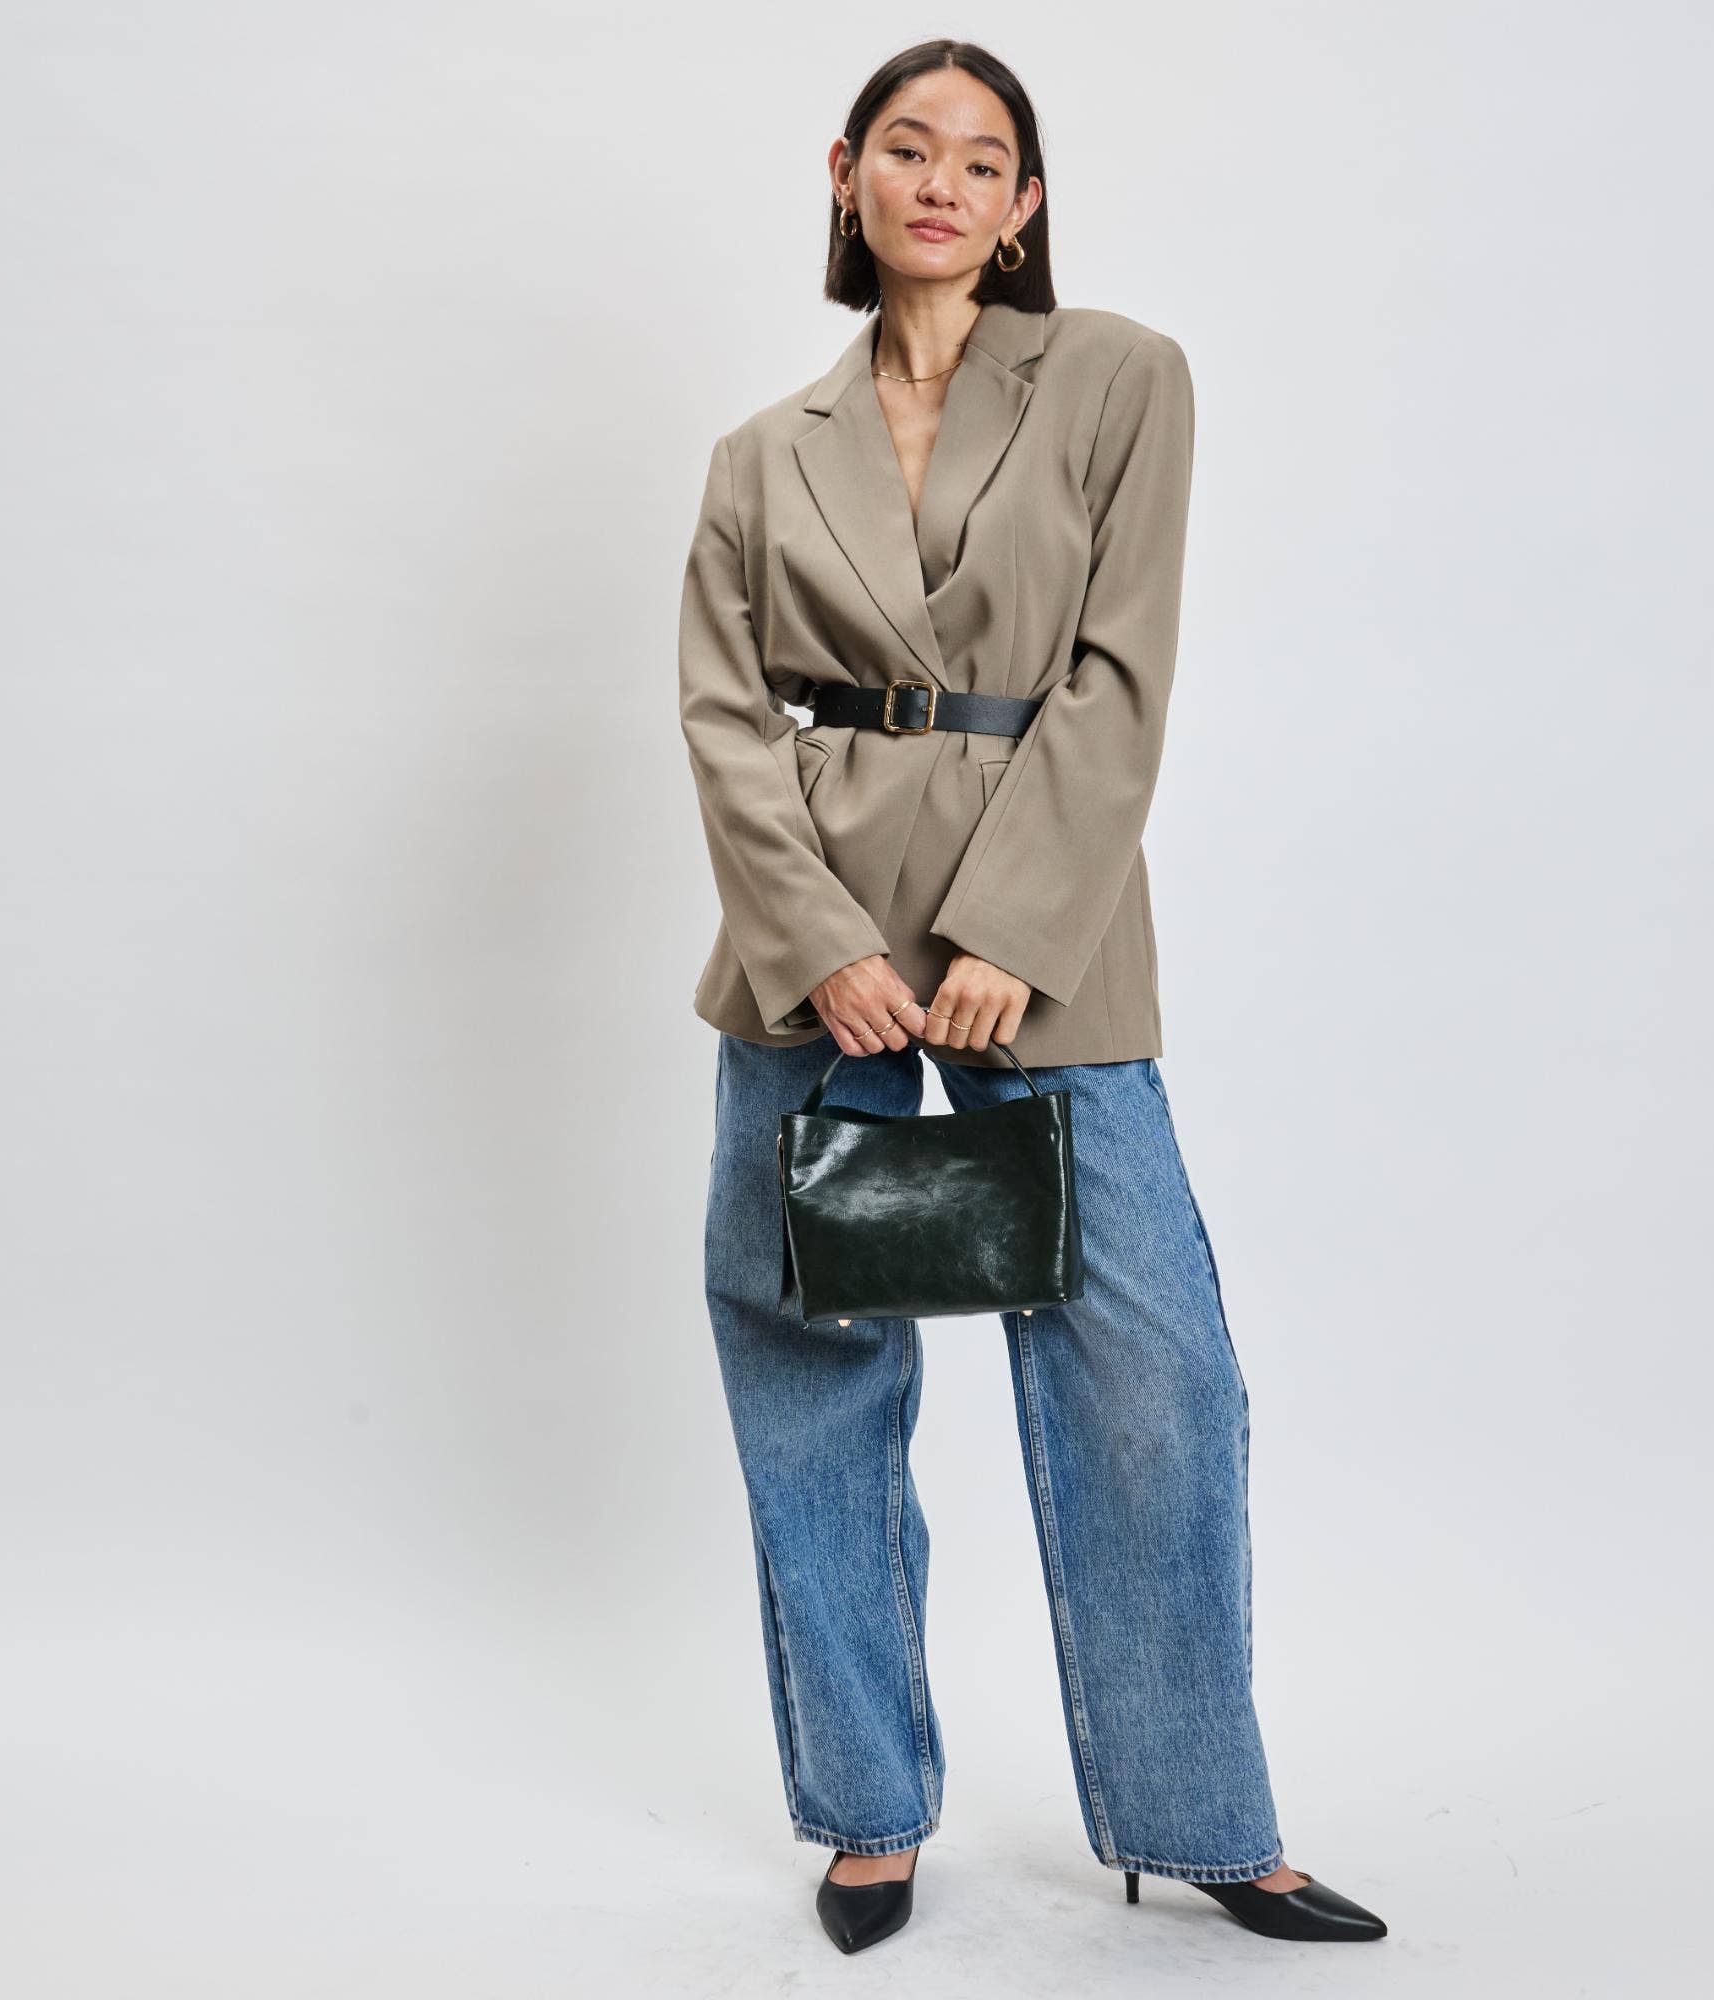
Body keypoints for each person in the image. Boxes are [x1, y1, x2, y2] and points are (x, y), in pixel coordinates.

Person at [676, 38, 1389, 1956]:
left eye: (983, 159)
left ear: (1024, 204)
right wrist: (819, 944)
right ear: (846, 173)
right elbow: (726, 715)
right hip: (813, 944)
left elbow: (1120, 668)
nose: (943, 182)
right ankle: (866, 1811)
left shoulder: (1118, 380)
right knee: (813, 1358)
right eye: (908, 149)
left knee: (1157, 1369)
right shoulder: (763, 453)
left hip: (1039, 934)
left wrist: (1012, 930)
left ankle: (1201, 1816)